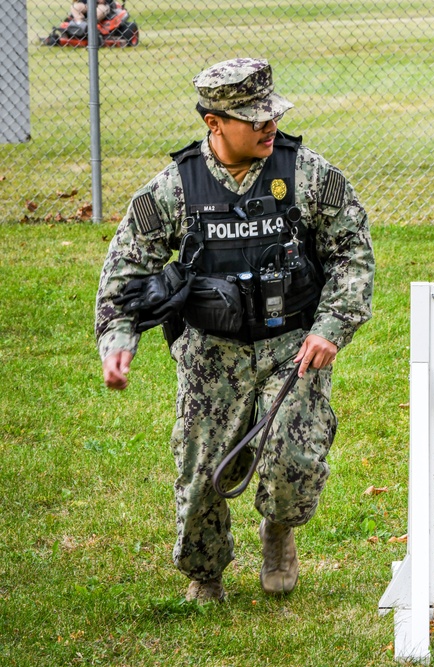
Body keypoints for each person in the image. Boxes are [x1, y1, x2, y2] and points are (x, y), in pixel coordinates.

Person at [95, 57, 375, 603]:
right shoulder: (174, 189)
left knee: (294, 458)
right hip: (210, 351)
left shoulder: (308, 175)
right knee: (202, 474)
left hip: (294, 344)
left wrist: (332, 326)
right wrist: (119, 340)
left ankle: (279, 530)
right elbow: (126, 269)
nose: (269, 125)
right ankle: (206, 575)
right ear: (213, 122)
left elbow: (353, 253)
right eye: (253, 118)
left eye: (271, 114)